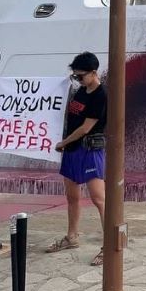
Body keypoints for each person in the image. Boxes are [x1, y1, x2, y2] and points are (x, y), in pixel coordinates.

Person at [46, 51, 107, 266]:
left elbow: (86, 127)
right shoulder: (80, 92)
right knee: (72, 196)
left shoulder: (101, 95)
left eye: (80, 76)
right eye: (75, 76)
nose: (77, 80)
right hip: (72, 149)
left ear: (93, 73)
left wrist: (63, 142)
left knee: (100, 199)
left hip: (89, 149)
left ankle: (109, 245)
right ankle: (72, 236)